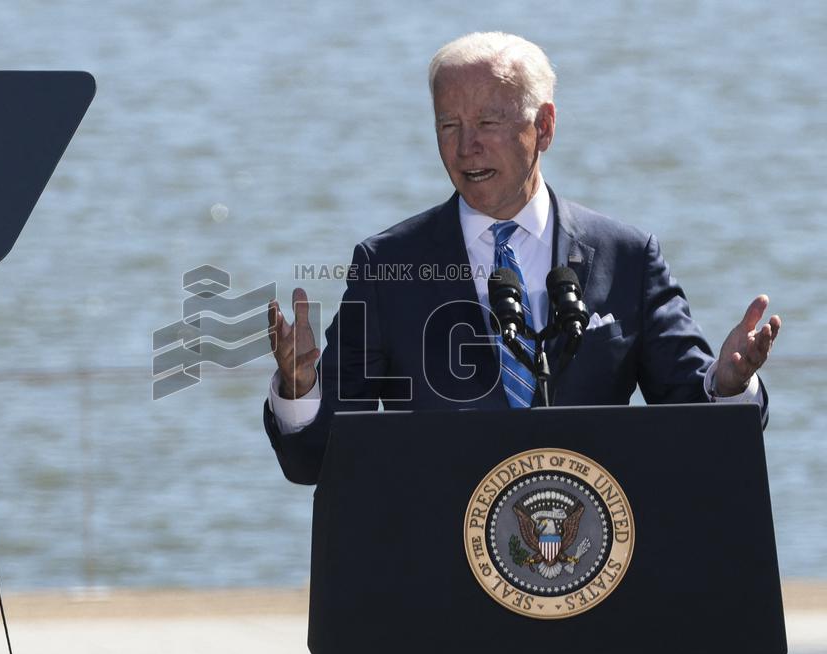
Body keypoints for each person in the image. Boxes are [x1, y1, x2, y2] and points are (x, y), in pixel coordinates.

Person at [263, 32, 781, 485]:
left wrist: (729, 385)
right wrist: (300, 387)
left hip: (593, 565)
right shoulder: (387, 267)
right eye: (449, 125)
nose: (467, 147)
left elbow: (694, 419)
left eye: (488, 121)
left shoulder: (627, 257)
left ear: (546, 126)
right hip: (440, 570)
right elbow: (316, 459)